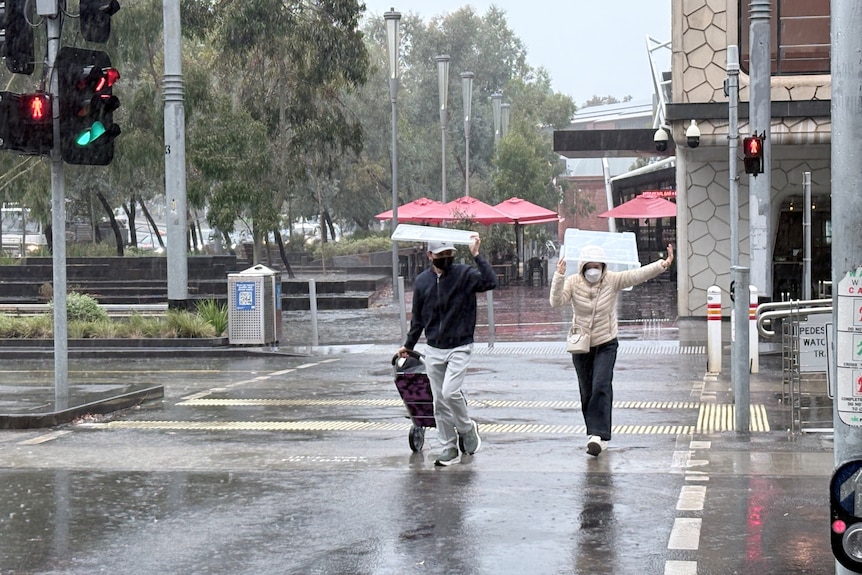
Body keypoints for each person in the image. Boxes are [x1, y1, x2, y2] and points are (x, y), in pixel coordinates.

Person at [549, 243, 674, 457]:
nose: (593, 270)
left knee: (601, 384)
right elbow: (556, 302)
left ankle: (599, 435)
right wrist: (559, 276)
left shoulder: (612, 280)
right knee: (586, 390)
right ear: (582, 267)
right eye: (589, 266)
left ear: (603, 266)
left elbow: (637, 275)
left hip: (606, 342)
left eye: (597, 266)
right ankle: (594, 434)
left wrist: (663, 264)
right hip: (581, 345)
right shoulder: (573, 282)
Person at [397, 235, 497, 466]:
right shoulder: (422, 282)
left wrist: (476, 255)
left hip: (460, 345)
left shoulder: (464, 275)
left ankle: (466, 428)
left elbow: (491, 282)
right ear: (430, 256)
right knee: (439, 401)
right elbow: (418, 318)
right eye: (441, 255)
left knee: (450, 392)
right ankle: (448, 447)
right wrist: (408, 346)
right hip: (434, 348)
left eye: (449, 254)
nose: (446, 259)